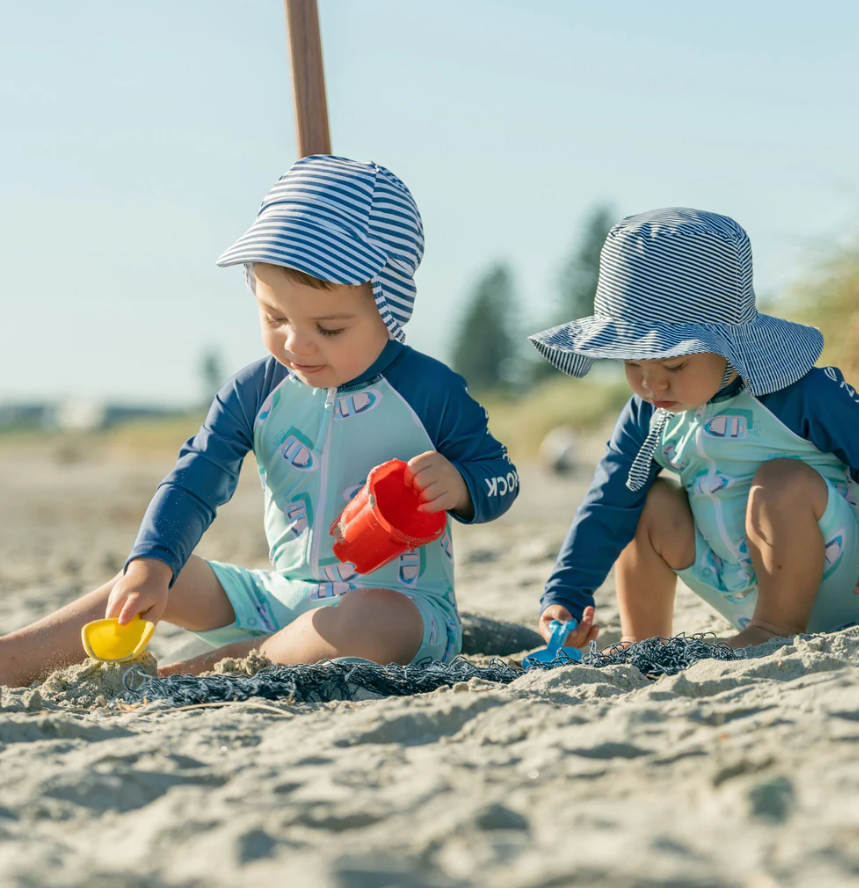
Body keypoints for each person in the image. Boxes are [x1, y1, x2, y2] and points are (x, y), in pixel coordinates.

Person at [0, 155, 519, 687]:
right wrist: (151, 562)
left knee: (370, 621)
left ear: (389, 306)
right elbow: (196, 478)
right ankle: (15, 658)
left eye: (330, 328)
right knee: (170, 577)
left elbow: (501, 476)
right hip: (283, 596)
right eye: (275, 318)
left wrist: (459, 485)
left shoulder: (429, 390)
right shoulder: (257, 390)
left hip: (403, 608)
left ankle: (219, 667)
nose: (296, 344)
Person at [529, 207, 859, 650]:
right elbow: (606, 506)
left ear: (730, 345)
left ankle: (775, 629)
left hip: (839, 578)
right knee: (646, 500)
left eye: (674, 363)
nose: (652, 384)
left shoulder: (800, 392)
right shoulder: (650, 413)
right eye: (631, 362)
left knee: (782, 481)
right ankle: (644, 640)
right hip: (732, 588)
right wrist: (565, 596)